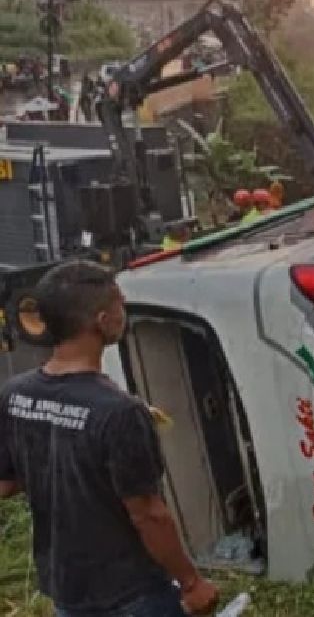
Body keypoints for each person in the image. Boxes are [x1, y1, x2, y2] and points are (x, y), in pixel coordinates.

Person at [0, 261, 218, 617]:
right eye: (119, 304)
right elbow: (148, 515)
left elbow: (6, 485)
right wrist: (192, 583)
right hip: (132, 595)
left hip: (67, 591)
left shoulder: (15, 394)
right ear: (101, 321)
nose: (124, 312)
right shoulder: (120, 412)